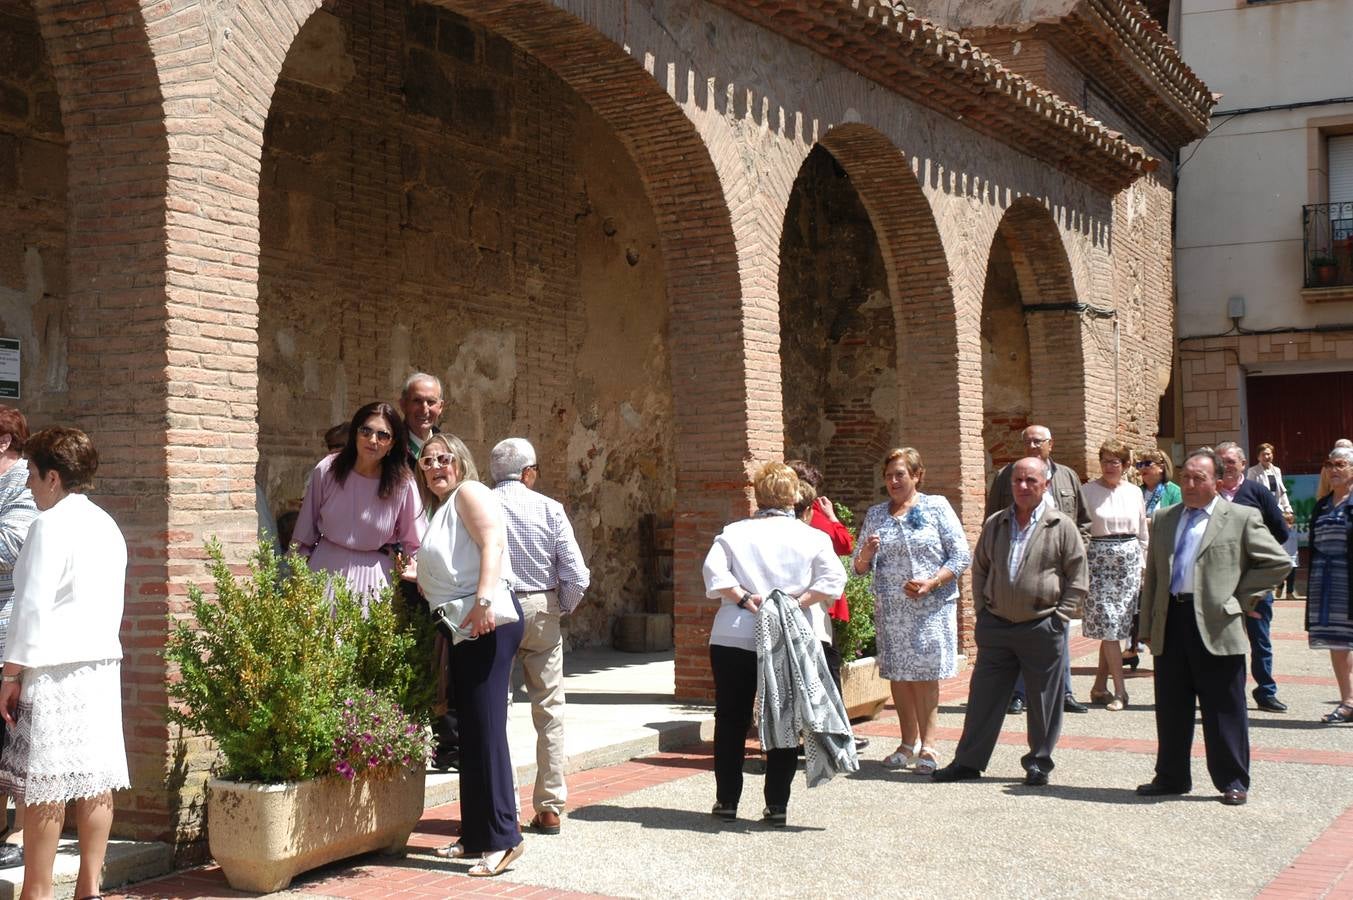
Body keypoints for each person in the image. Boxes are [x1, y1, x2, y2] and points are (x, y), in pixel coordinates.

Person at [0, 427, 129, 899]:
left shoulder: (48, 525)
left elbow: (30, 607)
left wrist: (10, 673)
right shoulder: (106, 524)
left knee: (46, 784)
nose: (28, 484)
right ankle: (89, 887)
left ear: (53, 477)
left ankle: (36, 892)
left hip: (53, 669)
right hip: (100, 666)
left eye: (32, 475)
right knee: (94, 778)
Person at [1136, 448, 1290, 806]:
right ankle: (1171, 776)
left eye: (1198, 478)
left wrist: (1241, 598)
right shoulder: (1163, 519)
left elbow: (1277, 562)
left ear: (1217, 482)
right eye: (1185, 477)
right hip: (1172, 620)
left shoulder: (1240, 517)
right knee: (1172, 706)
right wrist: (1146, 625)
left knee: (1224, 707)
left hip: (1218, 623)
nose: (1189, 484)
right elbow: (1156, 576)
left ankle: (1233, 779)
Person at [702, 462, 847, 825]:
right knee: (785, 718)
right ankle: (777, 804)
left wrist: (742, 597)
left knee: (731, 717)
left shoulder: (735, 532)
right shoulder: (813, 537)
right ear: (795, 496)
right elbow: (833, 579)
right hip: (793, 634)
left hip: (735, 632)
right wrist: (799, 602)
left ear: (758, 494)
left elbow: (713, 572)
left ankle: (727, 801)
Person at [932, 456, 1088, 787]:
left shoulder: (1061, 526)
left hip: (1042, 624)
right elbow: (980, 569)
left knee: (1044, 700)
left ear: (1045, 484)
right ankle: (968, 762)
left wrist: (1060, 618)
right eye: (1017, 481)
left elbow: (1077, 577)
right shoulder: (996, 523)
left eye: (1031, 481)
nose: (1023, 487)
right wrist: (983, 613)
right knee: (982, 698)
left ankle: (1039, 763)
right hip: (998, 625)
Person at [417, 434, 525, 876]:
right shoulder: (441, 510)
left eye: (445, 458)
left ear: (460, 462)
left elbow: (492, 543)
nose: (436, 465)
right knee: (471, 735)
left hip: (487, 621)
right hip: (463, 624)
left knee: (486, 731)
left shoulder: (470, 492)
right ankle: (476, 834)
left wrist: (483, 602)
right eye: (427, 461)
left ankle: (504, 838)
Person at [489, 438, 590, 836]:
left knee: (498, 709)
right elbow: (577, 574)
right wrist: (559, 606)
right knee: (549, 711)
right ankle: (549, 807)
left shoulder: (481, 504)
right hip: (541, 606)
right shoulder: (549, 508)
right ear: (529, 473)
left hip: (495, 607)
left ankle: (505, 806)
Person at [853, 448, 970, 775]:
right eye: (888, 475)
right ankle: (907, 744)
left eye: (900, 475)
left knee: (923, 676)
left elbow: (961, 556)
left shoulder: (936, 507)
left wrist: (932, 582)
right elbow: (859, 569)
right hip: (891, 610)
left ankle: (929, 746)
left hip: (929, 607)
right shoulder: (877, 514)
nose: (893, 481)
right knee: (899, 676)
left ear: (917, 476)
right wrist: (865, 553)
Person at [986, 425, 1090, 715]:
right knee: (1021, 630)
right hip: (1019, 564)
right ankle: (1019, 693)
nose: (1032, 446)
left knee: (1059, 628)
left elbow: (1083, 520)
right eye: (1027, 442)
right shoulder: (1006, 476)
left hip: (1059, 565)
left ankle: (1064, 691)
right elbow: (992, 518)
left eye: (1038, 441)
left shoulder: (1067, 476)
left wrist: (1078, 550)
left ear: (1050, 444)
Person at [293, 402, 422, 605]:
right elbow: (305, 527)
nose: (373, 440)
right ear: (355, 434)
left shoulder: (402, 483)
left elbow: (415, 541)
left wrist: (425, 575)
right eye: (366, 431)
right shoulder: (328, 469)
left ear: (392, 443)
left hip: (374, 580)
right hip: (323, 569)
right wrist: (298, 575)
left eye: (383, 435)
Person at [786, 460, 869, 753]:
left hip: (812, 605)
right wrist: (832, 518)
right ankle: (833, 735)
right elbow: (845, 545)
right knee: (825, 672)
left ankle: (816, 734)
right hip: (815, 607)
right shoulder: (813, 519)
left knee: (807, 673)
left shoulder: (810, 515)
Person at [1216, 441, 1290, 713]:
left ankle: (1266, 691)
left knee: (1259, 638)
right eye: (1221, 461)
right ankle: (1226, 692)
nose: (1225, 466)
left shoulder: (1257, 492)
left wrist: (1258, 552)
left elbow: (1281, 532)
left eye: (1231, 461)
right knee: (1222, 639)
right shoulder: (1209, 495)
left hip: (1255, 581)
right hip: (1220, 582)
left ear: (1244, 465)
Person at [1080, 440, 1148, 711]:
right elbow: (1080, 529)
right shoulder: (1087, 491)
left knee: (1116, 627)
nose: (1110, 466)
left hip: (1128, 562)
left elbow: (1143, 531)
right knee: (1109, 625)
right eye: (1105, 460)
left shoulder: (1134, 493)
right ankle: (1121, 692)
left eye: (1115, 462)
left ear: (1126, 465)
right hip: (1098, 561)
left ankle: (1099, 687)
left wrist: (1143, 566)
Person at [0, 407, 36, 868]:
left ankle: (21, 835)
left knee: (17, 736)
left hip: (9, 626)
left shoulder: (24, 483)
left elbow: (10, 548)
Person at [1306, 447, 1353, 724]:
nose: (1333, 469)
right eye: (1329, 464)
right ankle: (1347, 701)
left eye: (1340, 464)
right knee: (1338, 641)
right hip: (1327, 580)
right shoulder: (1322, 504)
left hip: (1349, 576)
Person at [1248, 443, 1300, 600]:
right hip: (1262, 514)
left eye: (1269, 454)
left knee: (1285, 548)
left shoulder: (1276, 470)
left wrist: (1288, 509)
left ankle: (1282, 584)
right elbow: (1251, 493)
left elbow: (1282, 493)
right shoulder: (1253, 471)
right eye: (1264, 454)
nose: (1267, 457)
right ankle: (1270, 585)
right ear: (1258, 456)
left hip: (1277, 512)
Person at [399, 373, 444, 469]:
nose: (424, 409)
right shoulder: (391, 450)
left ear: (440, 407)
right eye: (417, 401)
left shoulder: (449, 450)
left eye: (431, 401)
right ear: (403, 404)